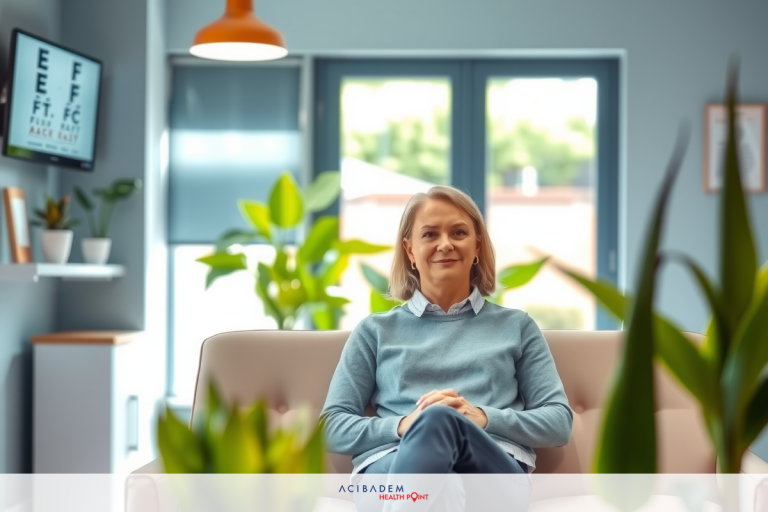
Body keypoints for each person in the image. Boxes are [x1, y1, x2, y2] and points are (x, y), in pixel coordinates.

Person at [320, 185, 572, 511]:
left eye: (459, 232)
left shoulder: (517, 327)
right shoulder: (375, 331)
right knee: (445, 479)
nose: (445, 244)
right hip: (391, 470)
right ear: (409, 250)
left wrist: (480, 417)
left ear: (477, 246)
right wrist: (405, 424)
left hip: (491, 475)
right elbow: (331, 426)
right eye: (429, 234)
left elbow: (558, 422)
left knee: (441, 422)